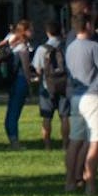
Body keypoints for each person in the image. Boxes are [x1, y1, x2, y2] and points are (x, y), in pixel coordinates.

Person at [64, 13, 98, 196]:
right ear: (87, 24)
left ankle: (70, 181)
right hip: (93, 96)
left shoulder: (70, 48)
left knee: (75, 140)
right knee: (95, 141)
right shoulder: (94, 47)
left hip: (76, 97)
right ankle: (90, 183)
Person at [33, 21, 70, 151]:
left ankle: (47, 146)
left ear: (47, 32)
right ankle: (65, 145)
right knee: (65, 116)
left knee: (47, 117)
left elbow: (38, 69)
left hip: (47, 85)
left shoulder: (42, 48)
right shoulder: (66, 46)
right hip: (65, 85)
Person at [3, 20, 34, 150]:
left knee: (11, 111)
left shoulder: (11, 42)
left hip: (11, 80)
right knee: (14, 112)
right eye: (31, 29)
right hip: (20, 80)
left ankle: (12, 139)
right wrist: (30, 86)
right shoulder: (23, 47)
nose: (33, 32)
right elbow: (26, 69)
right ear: (25, 31)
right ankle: (15, 142)